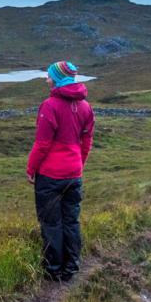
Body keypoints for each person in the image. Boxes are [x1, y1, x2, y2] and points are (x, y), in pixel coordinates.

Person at [25, 60, 96, 280]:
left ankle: (53, 270)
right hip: (74, 174)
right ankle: (71, 267)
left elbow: (42, 144)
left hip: (51, 176)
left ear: (56, 79)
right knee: (71, 221)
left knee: (51, 223)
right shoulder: (86, 107)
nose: (46, 79)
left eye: (49, 76)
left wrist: (31, 169)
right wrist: (78, 165)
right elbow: (87, 142)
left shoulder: (50, 105)